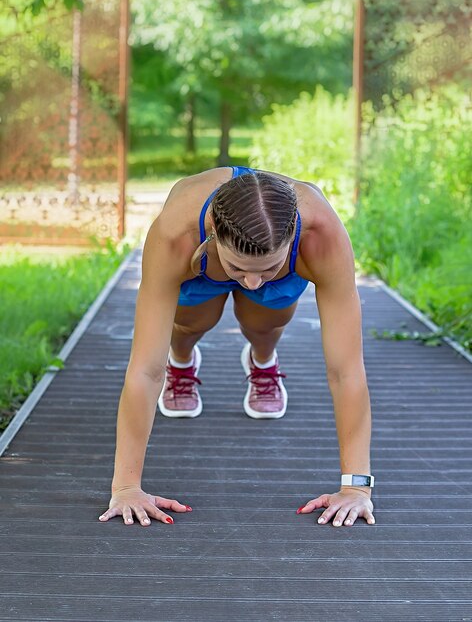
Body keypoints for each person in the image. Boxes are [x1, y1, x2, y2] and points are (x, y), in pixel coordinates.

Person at [98, 165, 375, 528]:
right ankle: (181, 360)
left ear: (294, 236)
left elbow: (346, 369)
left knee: (264, 321)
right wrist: (126, 487)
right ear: (213, 233)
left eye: (267, 268)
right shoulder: (175, 235)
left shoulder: (321, 234)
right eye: (240, 269)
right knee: (191, 321)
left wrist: (356, 489)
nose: (253, 282)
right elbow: (146, 370)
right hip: (200, 265)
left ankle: (262, 359)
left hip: (264, 261)